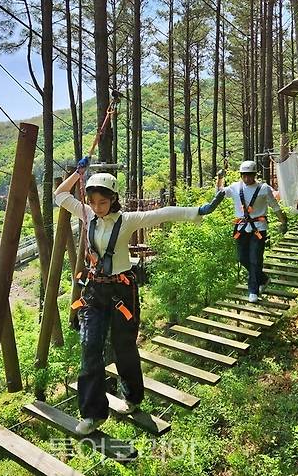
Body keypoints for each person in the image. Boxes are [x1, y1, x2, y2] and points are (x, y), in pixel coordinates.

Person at [55, 159, 205, 435]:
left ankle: (133, 398)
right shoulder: (87, 215)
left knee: (124, 348)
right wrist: (77, 174)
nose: (97, 207)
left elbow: (163, 213)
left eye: (102, 202)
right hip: (94, 291)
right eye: (92, 202)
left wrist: (197, 211)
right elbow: (60, 196)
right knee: (90, 349)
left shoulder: (127, 221)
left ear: (113, 200)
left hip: (121, 292)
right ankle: (92, 414)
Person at [199, 160, 287, 303]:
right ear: (241, 175)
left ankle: (253, 290)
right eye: (244, 175)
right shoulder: (235, 187)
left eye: (250, 175)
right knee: (242, 258)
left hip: (259, 228)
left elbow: (275, 207)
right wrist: (220, 178)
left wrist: (283, 221)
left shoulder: (264, 189)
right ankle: (263, 279)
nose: (247, 178)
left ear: (255, 174)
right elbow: (219, 193)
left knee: (255, 258)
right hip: (240, 228)